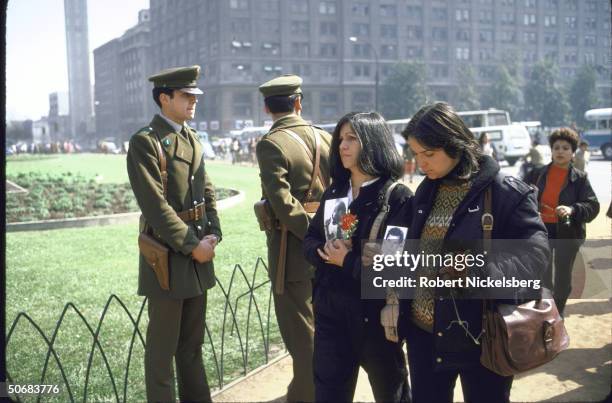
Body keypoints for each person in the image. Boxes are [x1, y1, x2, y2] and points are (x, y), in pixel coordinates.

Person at [399, 102, 549, 403]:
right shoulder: (427, 190)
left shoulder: (505, 192)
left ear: (456, 145)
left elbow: (536, 255)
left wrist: (478, 268)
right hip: (424, 335)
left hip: (481, 337)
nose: (421, 162)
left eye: (428, 154)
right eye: (415, 154)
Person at [126, 65, 222, 402]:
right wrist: (192, 245)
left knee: (192, 347)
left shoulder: (191, 137)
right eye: (186, 95)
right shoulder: (146, 142)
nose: (193, 101)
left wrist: (213, 233)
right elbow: (155, 206)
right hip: (169, 256)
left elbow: (207, 191)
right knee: (162, 353)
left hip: (197, 253)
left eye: (195, 95)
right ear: (164, 98)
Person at [303, 112, 412, 402]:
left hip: (373, 318)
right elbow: (310, 239)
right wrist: (322, 251)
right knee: (328, 393)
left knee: (393, 394)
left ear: (373, 143)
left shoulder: (397, 198)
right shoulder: (335, 192)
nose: (342, 145)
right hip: (330, 314)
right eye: (341, 139)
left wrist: (347, 261)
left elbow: (392, 268)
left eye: (352, 138)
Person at [256, 74, 332, 402]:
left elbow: (282, 203)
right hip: (332, 242)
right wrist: (331, 235)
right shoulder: (325, 138)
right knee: (326, 323)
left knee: (299, 329)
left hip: (293, 247)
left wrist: (312, 235)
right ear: (298, 102)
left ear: (266, 108)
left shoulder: (271, 144)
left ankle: (306, 393)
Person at [525, 128, 599, 315]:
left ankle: (558, 313)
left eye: (565, 148)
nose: (560, 151)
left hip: (568, 231)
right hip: (541, 231)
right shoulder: (536, 174)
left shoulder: (580, 179)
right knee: (544, 276)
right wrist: (531, 201)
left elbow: (592, 205)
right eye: (556, 147)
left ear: (573, 152)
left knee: (563, 278)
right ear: (551, 150)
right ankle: (547, 314)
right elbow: (519, 196)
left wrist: (572, 209)